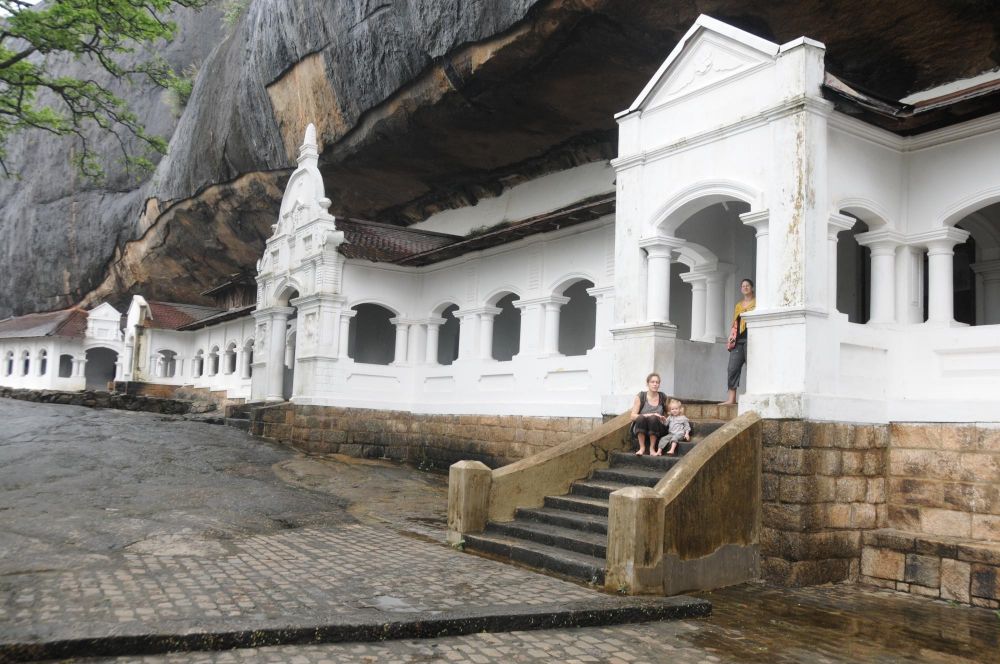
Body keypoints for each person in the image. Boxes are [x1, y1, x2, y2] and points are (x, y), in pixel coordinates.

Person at [722, 278, 756, 405]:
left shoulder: (757, 303)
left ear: (752, 288)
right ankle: (731, 399)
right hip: (738, 340)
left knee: (753, 368)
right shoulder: (738, 305)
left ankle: (753, 395)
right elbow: (735, 322)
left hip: (752, 339)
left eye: (747, 285)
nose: (745, 287)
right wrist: (731, 335)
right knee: (732, 368)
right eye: (743, 286)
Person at [631, 372, 666, 455]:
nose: (655, 384)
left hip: (657, 427)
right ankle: (642, 448)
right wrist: (650, 414)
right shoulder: (641, 396)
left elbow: (668, 412)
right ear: (648, 384)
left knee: (653, 419)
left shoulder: (663, 397)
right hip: (642, 426)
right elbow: (632, 416)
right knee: (641, 417)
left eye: (657, 382)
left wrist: (664, 418)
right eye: (652, 382)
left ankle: (652, 448)